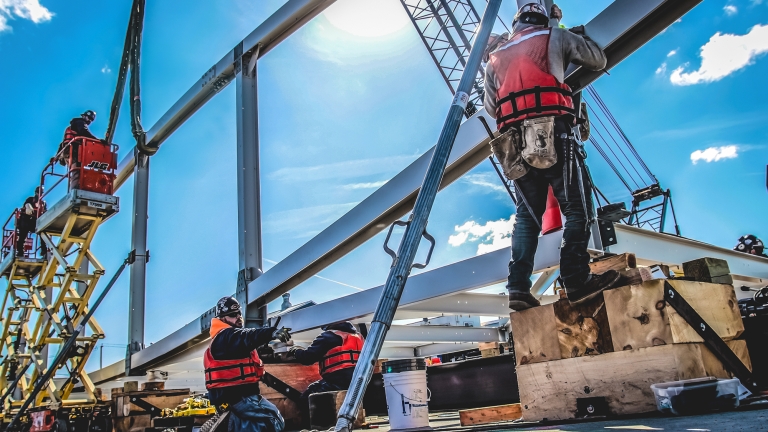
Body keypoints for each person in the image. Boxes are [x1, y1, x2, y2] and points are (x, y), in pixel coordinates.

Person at [483, 2, 620, 311]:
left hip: (516, 144)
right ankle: (575, 279)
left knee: (527, 218)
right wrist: (561, 30)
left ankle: (518, 287)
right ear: (546, 17)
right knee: (577, 209)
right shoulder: (553, 36)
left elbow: (492, 108)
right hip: (554, 134)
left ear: (516, 23)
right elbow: (597, 60)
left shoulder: (496, 56)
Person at [204, 296, 291, 432]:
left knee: (249, 427)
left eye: (239, 313)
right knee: (274, 419)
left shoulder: (230, 341)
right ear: (222, 319)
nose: (238, 317)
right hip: (239, 398)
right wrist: (270, 333)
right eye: (232, 315)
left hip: (233, 399)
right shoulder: (225, 337)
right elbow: (246, 336)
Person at [288, 321, 363, 428]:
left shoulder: (329, 336)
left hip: (337, 382)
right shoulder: (358, 336)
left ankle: (313, 428)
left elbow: (308, 357)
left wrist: (295, 351)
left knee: (306, 398)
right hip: (356, 383)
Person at [58, 110, 98, 190]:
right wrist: (98, 141)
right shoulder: (80, 122)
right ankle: (75, 189)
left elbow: (62, 144)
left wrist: (57, 156)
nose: (89, 120)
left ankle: (77, 187)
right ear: (83, 116)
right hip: (73, 150)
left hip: (69, 151)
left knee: (77, 170)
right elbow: (84, 132)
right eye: (88, 118)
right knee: (77, 170)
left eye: (91, 119)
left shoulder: (73, 126)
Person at [15, 187, 47, 258]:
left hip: (35, 223)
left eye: (41, 193)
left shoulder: (43, 203)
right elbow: (26, 205)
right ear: (36, 193)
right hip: (25, 222)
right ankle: (20, 252)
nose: (40, 194)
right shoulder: (30, 199)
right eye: (39, 192)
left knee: (43, 233)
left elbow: (45, 212)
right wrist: (28, 207)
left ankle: (44, 250)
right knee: (22, 236)